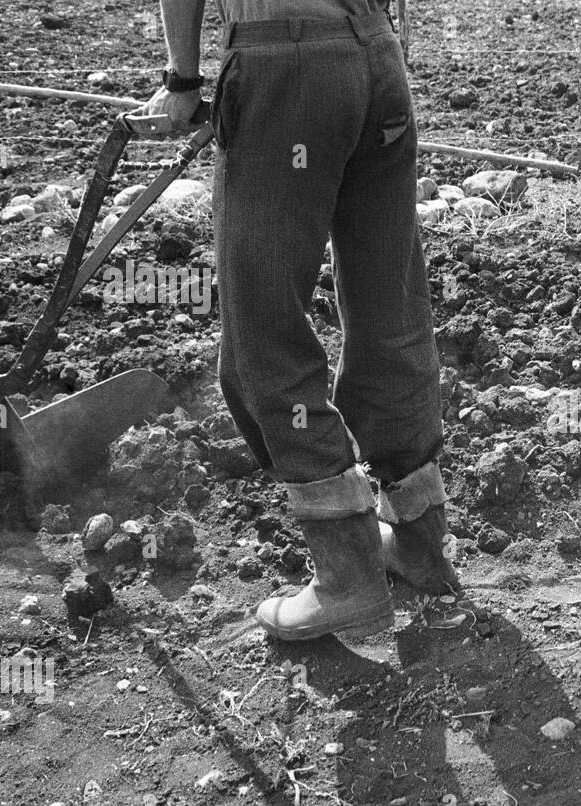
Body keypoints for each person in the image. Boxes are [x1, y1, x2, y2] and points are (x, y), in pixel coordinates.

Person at [141, 0, 458, 642]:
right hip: (377, 57)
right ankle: (419, 542)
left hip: (284, 65)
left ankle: (346, 576)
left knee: (265, 327)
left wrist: (182, 80)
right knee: (388, 308)